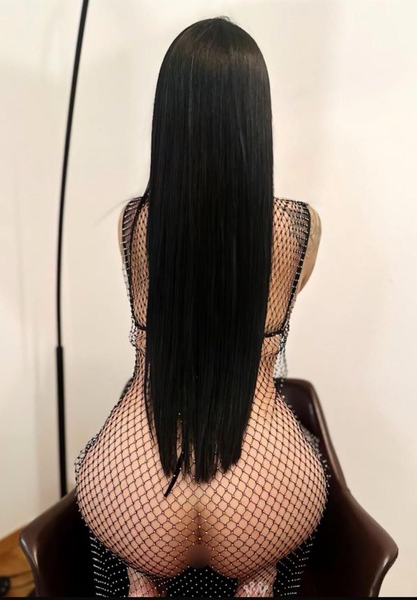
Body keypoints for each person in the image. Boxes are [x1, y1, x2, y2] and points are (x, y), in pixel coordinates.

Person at [75, 16, 329, 598]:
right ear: (257, 118)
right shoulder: (298, 227)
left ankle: (142, 582)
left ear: (168, 116)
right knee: (261, 573)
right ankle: (257, 583)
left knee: (138, 571)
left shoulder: (134, 223)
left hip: (138, 480)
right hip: (261, 483)